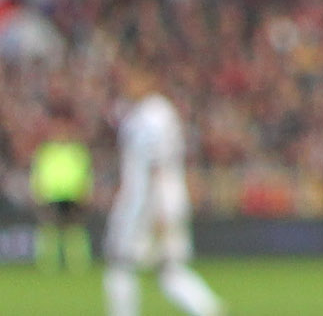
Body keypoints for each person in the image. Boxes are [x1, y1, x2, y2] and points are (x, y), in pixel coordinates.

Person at [102, 64, 222, 316]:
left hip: (147, 203)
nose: (127, 84)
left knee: (121, 264)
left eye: (133, 78)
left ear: (149, 79)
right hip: (166, 199)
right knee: (170, 270)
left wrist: (158, 210)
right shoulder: (159, 112)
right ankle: (209, 309)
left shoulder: (150, 116)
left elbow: (156, 166)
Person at [30, 125, 91, 270]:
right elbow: (38, 172)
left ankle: (77, 263)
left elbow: (86, 173)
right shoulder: (47, 152)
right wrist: (38, 192)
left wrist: (86, 191)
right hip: (51, 194)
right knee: (49, 229)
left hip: (73, 194)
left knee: (74, 230)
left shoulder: (77, 152)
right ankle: (47, 263)